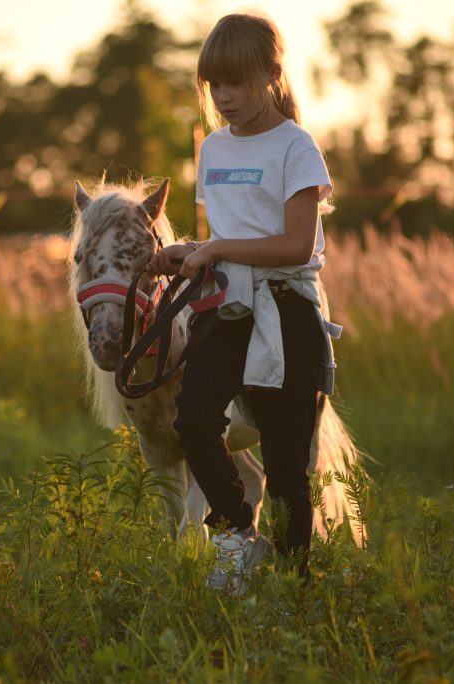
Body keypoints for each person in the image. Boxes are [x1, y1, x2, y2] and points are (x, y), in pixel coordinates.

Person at [147, 12, 339, 594]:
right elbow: (225, 238)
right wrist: (187, 253)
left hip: (287, 311)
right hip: (227, 310)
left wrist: (216, 249)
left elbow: (294, 245)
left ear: (271, 75)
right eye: (214, 86)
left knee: (286, 468)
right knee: (194, 420)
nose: (223, 98)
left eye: (235, 83)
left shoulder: (297, 147)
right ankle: (234, 530)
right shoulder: (212, 150)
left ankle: (293, 588)